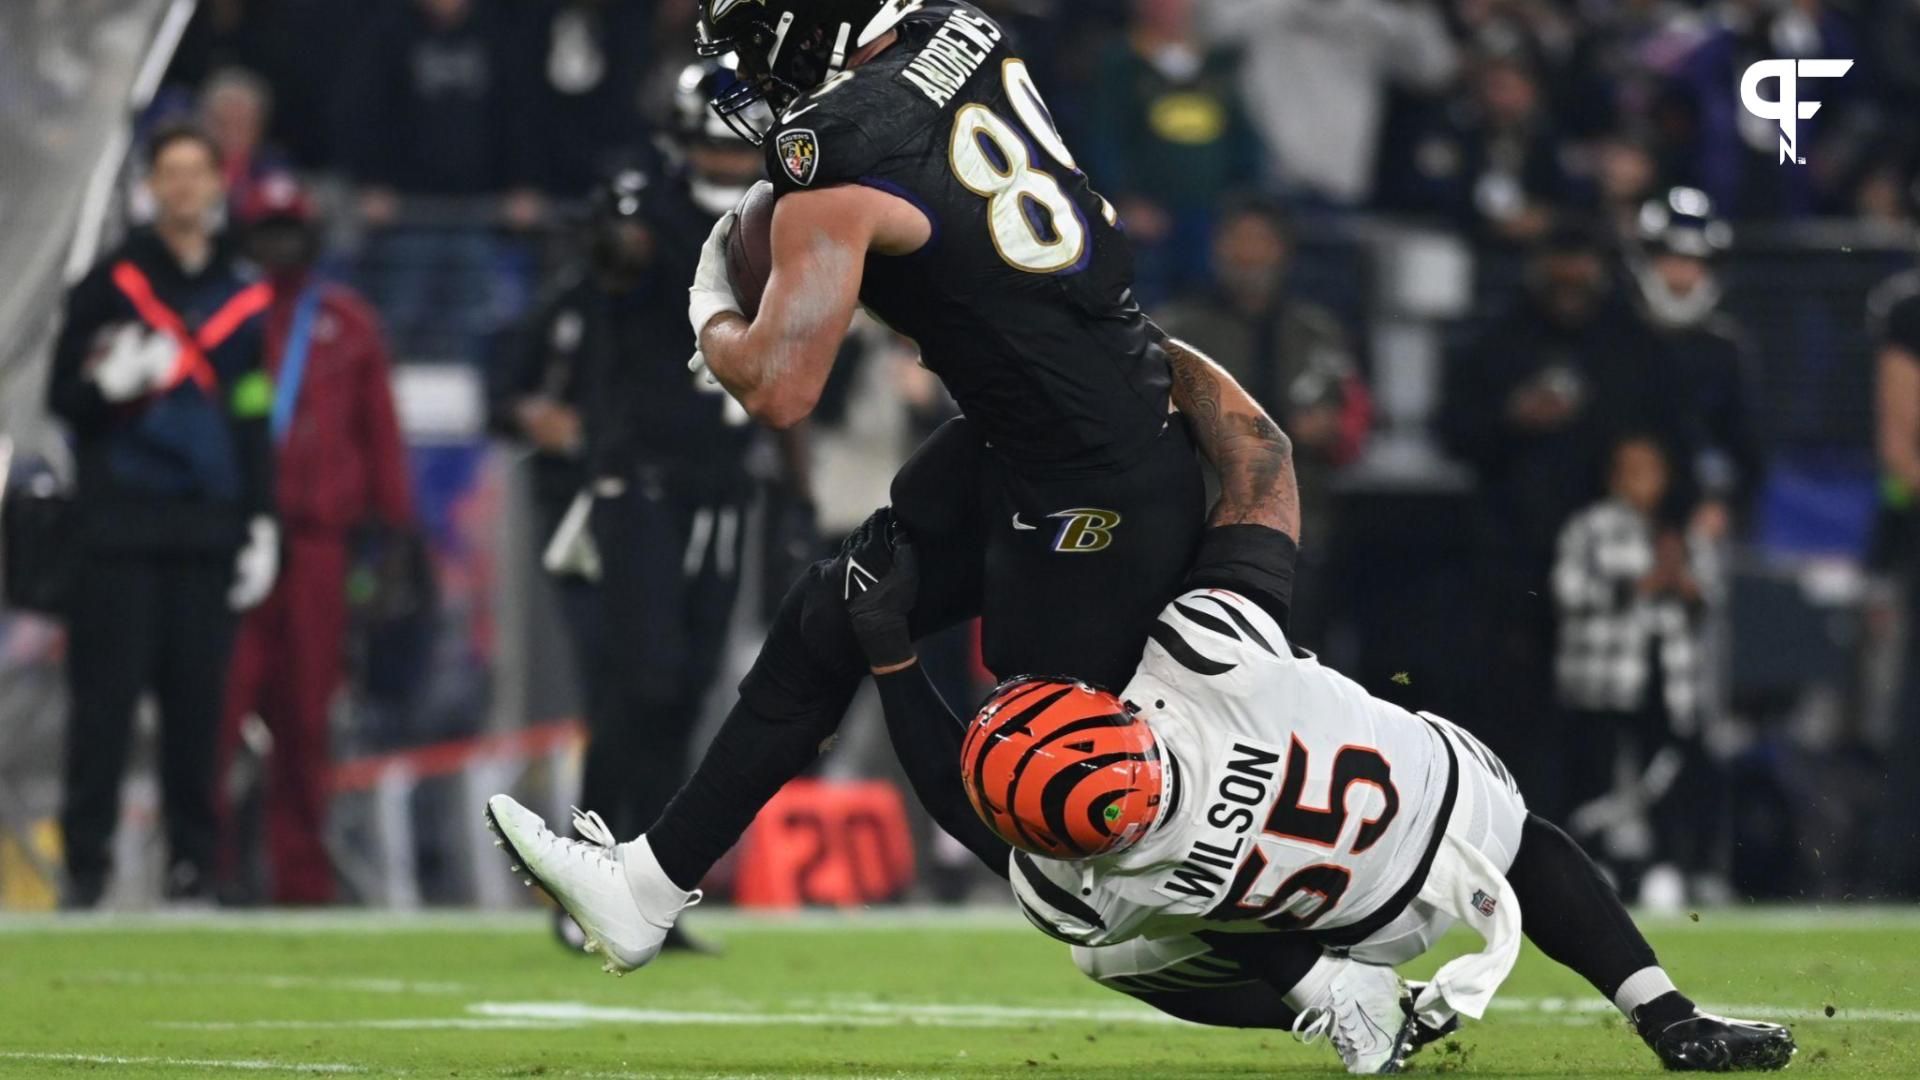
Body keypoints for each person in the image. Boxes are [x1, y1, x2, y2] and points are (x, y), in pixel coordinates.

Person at [486, 0, 1289, 971]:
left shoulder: (839, 146)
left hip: (1095, 483)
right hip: (1048, 423)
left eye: (750, 43)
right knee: (834, 612)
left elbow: (780, 388)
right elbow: (952, 239)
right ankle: (645, 887)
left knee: (1057, 788)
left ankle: (1310, 966)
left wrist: (711, 310)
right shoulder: (963, 28)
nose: (748, 73)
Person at [831, 377, 1793, 1075]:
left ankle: (1333, 999)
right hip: (1443, 813)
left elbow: (977, 816)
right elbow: (1263, 463)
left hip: (1332, 918)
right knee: (1515, 834)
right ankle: (1663, 1013)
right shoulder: (1204, 659)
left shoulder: (1106, 876)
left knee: (1110, 944)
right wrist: (1149, 355)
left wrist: (890, 654)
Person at [46, 122, 279, 907]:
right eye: (169, 174)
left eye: (196, 173)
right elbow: (62, 400)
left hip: (205, 530)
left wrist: (260, 516)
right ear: (151, 186)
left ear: (218, 184)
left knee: (197, 711)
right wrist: (106, 385)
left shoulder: (244, 295)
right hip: (116, 527)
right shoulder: (109, 281)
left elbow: (251, 409)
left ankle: (192, 867)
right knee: (103, 707)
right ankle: (88, 866)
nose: (183, 188)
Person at [216, 174, 415, 906]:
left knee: (304, 719)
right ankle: (206, 869)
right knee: (217, 710)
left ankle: (300, 880)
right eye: (265, 230)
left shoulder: (347, 322)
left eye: (288, 229)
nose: (277, 244)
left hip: (316, 546)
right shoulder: (224, 318)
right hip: (233, 545)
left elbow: (380, 437)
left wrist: (394, 536)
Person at [1157, 198, 1369, 649]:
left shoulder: (1319, 332)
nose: (1248, 254)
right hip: (1202, 535)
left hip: (1301, 532)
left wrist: (1329, 430)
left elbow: (1354, 428)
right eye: (1238, 241)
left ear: (1284, 251)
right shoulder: (1175, 332)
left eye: (1261, 242)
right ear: (1217, 249)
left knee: (1298, 663)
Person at [1552, 435, 1720, 906]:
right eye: (1630, 471)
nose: (1640, 482)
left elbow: (1709, 599)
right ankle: (1593, 861)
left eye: (1650, 471)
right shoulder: (1589, 527)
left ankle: (1664, 865)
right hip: (1602, 679)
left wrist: (1682, 581)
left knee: (1663, 770)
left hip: (1665, 678)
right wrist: (1638, 586)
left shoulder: (1679, 533)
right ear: (1613, 477)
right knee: (1596, 771)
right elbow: (1567, 591)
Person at [1631, 187, 1762, 535]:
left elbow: (1745, 450)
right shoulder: (1614, 334)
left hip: (1695, 521)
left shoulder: (1725, 349)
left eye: (1693, 262)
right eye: (1670, 257)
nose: (1680, 274)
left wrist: (1721, 503)